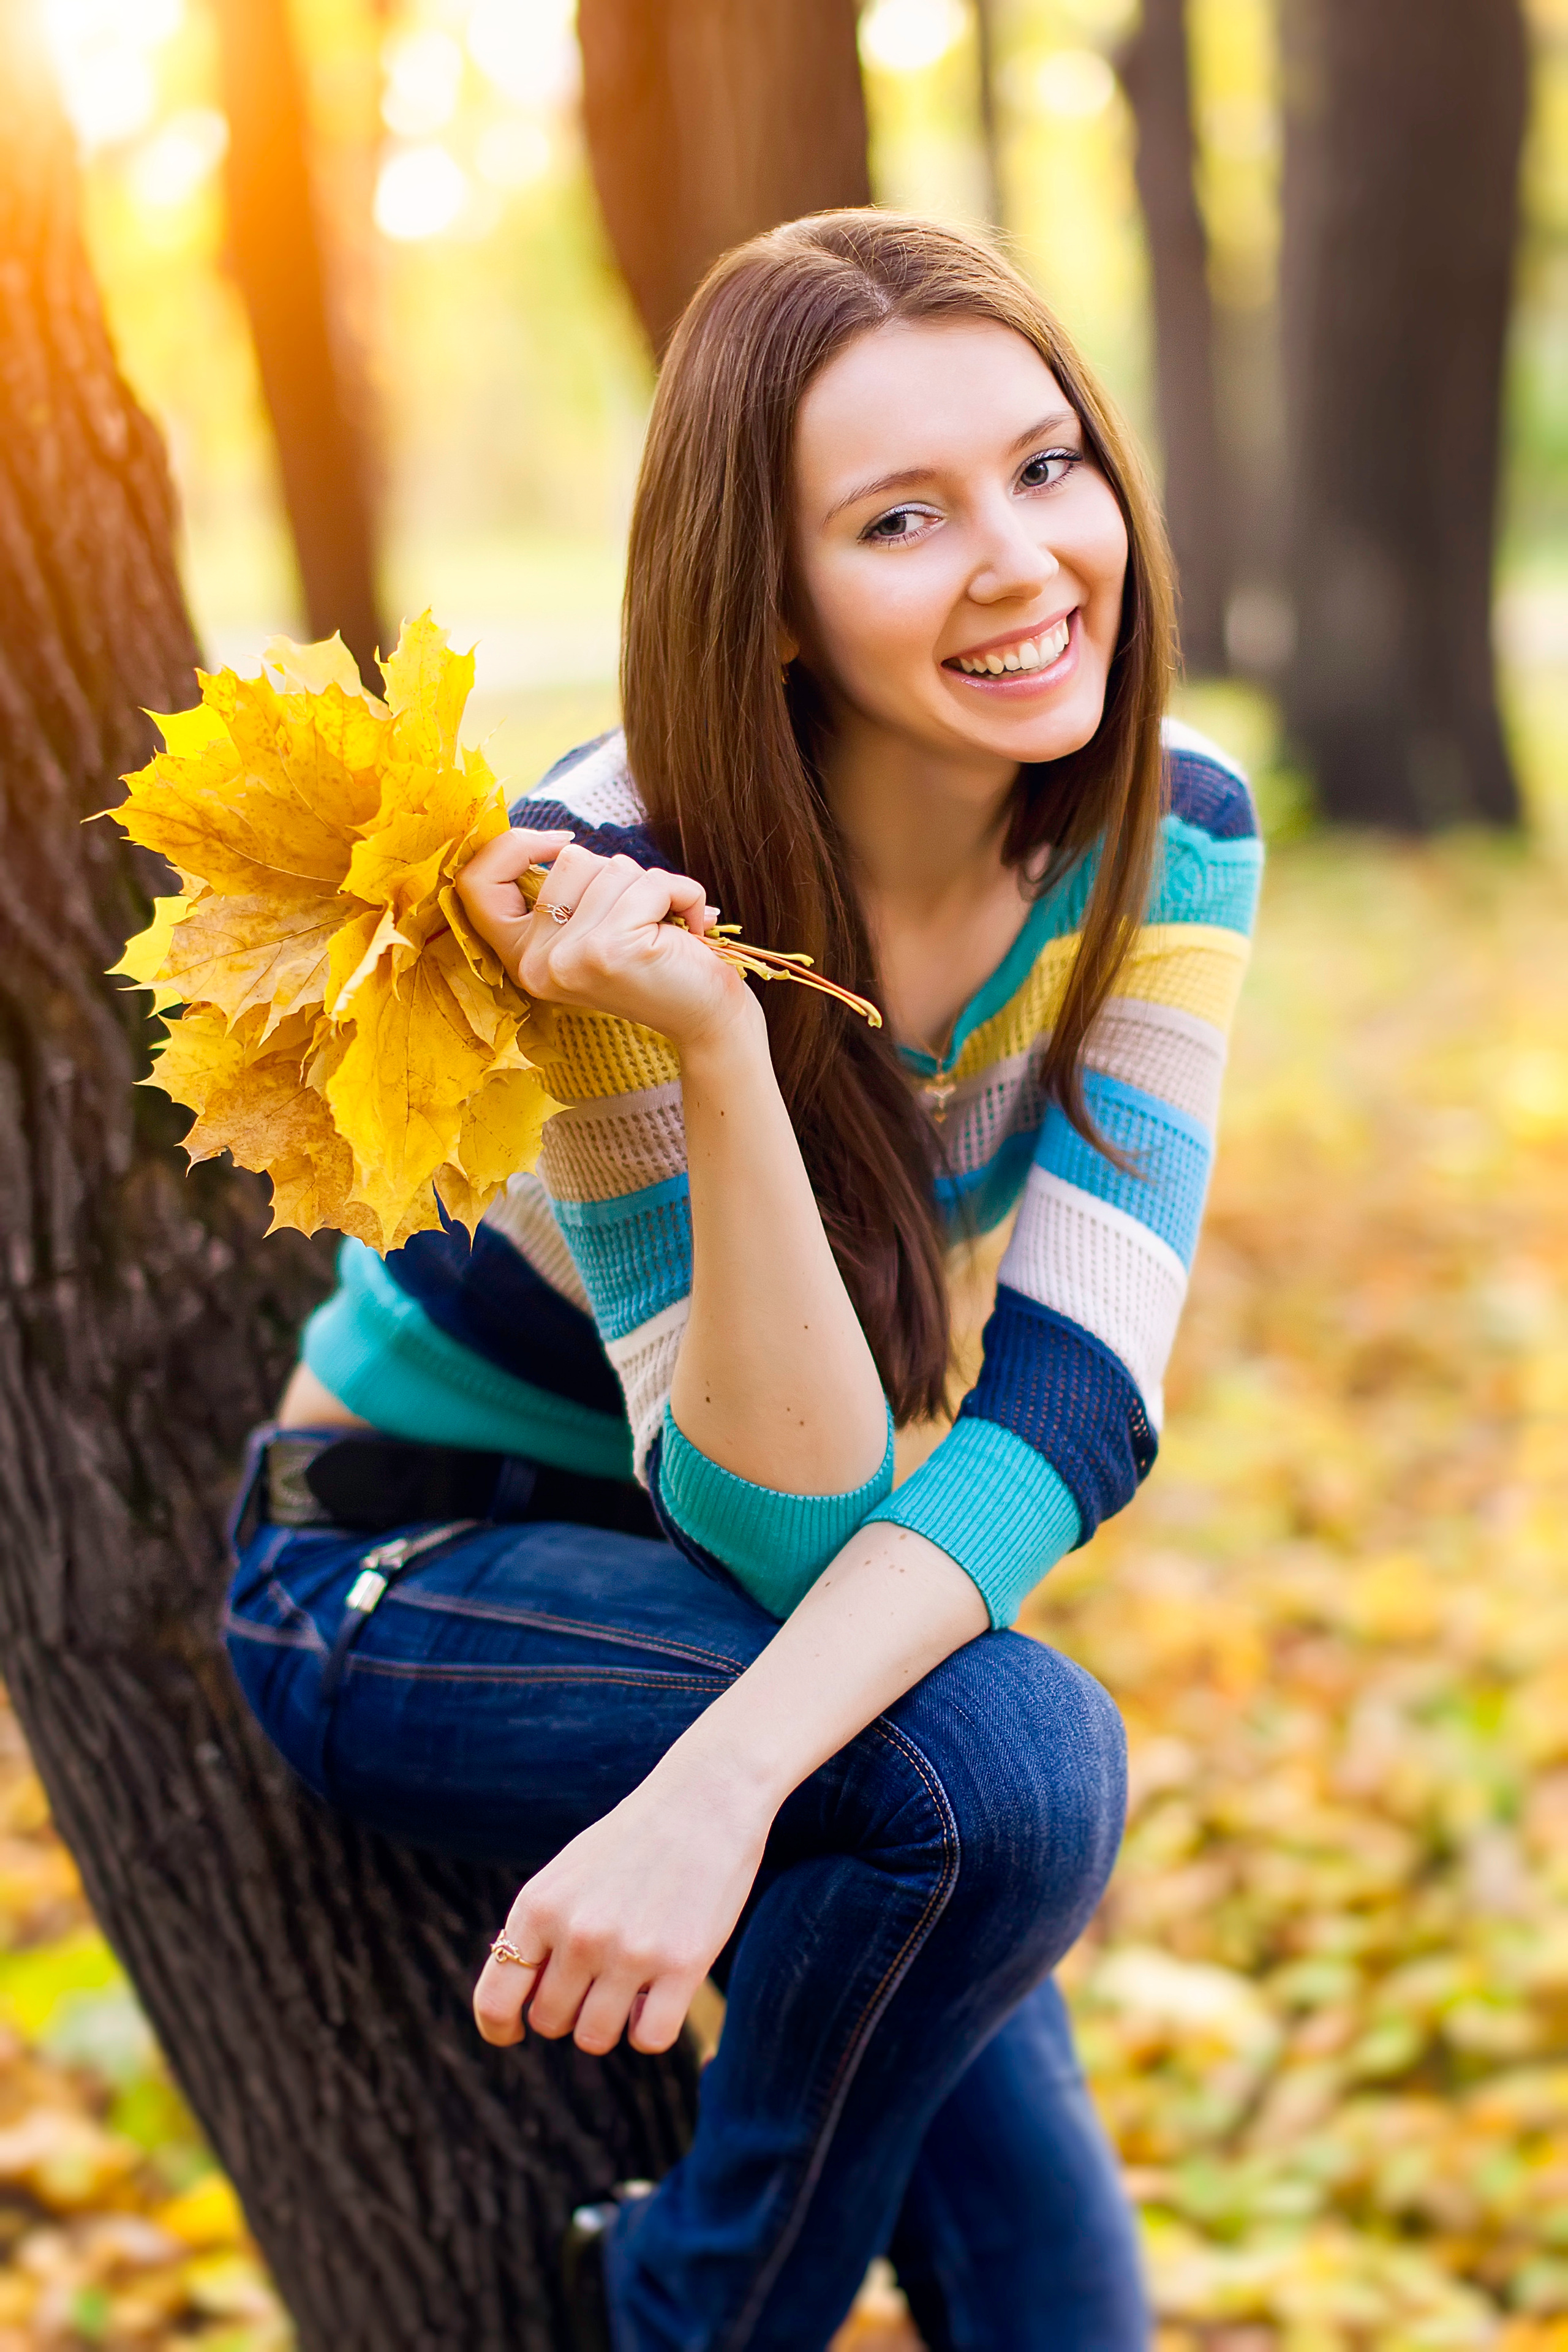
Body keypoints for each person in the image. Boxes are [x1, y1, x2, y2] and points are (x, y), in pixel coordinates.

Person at [225, 211, 1262, 2351]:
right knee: (1009, 1773)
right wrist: (710, 1036)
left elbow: (1073, 1408)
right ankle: (695, 2317)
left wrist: (718, 1792)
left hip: (756, 1617)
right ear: (770, 603)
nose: (1021, 562)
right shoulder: (596, 896)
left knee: (1069, 2305)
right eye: (903, 518)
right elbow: (778, 1504)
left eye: (1047, 466)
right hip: (414, 1568)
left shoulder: (1171, 837)